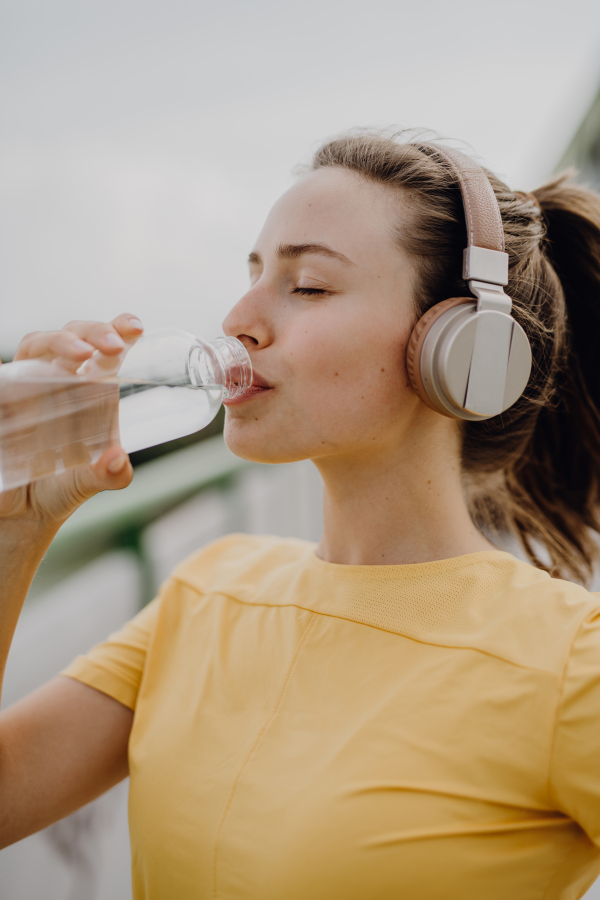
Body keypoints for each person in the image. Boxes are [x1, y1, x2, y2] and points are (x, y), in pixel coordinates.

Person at [2, 132, 600, 900]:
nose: (239, 319)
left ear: (461, 346)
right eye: (253, 275)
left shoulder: (566, 664)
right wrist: (17, 528)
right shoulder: (208, 590)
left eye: (308, 286)